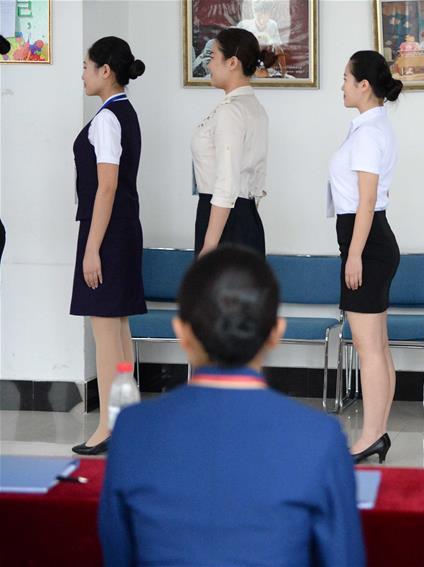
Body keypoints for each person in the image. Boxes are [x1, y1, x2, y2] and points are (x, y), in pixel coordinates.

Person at [99, 246, 365, 565]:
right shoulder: (320, 437)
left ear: (182, 332)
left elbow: (117, 554)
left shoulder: (132, 430)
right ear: (276, 333)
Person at [70, 37, 147, 455]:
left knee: (106, 334)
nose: (82, 73)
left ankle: (106, 427)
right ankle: (124, 418)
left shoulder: (106, 119)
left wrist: (92, 247)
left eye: (86, 65)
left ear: (105, 71)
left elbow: (107, 186)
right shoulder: (123, 112)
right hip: (121, 230)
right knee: (118, 332)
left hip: (107, 233)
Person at [328, 51, 403, 463]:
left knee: (370, 348)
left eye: (345, 78)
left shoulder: (370, 132)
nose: (341, 85)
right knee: (377, 346)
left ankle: (372, 434)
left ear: (364, 86)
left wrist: (354, 254)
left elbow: (367, 199)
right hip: (366, 240)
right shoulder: (368, 127)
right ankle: (378, 431)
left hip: (367, 242)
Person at [192, 28, 271, 257]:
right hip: (245, 219)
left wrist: (209, 246)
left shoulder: (231, 111)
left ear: (232, 62)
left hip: (223, 223)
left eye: (213, 57)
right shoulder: (254, 108)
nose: (209, 66)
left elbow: (227, 184)